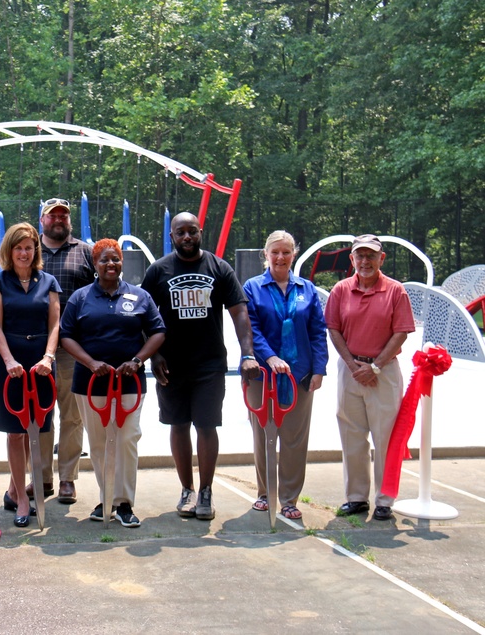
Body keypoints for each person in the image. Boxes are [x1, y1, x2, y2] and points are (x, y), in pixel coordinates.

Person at [141, 212, 260, 520]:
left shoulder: (219, 268)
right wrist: (153, 355)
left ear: (200, 232)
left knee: (206, 426)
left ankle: (205, 492)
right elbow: (143, 316)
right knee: (178, 425)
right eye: (180, 233)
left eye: (191, 231)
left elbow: (239, 314)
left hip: (209, 364)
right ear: (171, 237)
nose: (186, 237)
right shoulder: (158, 271)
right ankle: (187, 489)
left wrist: (247, 354)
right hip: (171, 365)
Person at [60, 239, 165, 527]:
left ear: (122, 262)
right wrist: (91, 363)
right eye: (104, 260)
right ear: (95, 265)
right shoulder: (80, 298)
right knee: (99, 443)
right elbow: (66, 336)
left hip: (129, 382)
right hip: (91, 383)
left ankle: (124, 503)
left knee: (127, 439)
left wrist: (138, 360)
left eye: (115, 259)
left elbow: (157, 332)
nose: (111, 264)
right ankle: (107, 498)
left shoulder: (139, 296)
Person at [325, 234, 415, 521]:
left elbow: (401, 331)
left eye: (371, 256)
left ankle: (385, 499)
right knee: (352, 435)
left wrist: (375, 366)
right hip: (350, 370)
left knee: (386, 437)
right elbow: (334, 329)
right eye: (359, 256)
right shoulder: (340, 289)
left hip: (383, 372)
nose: (365, 261)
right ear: (352, 260)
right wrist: (353, 366)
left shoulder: (395, 291)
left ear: (381, 259)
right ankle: (356, 498)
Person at [242, 231, 328, 520]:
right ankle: (266, 493)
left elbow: (317, 331)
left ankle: (289, 498)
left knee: (294, 438)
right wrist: (271, 357)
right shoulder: (253, 288)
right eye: (275, 252)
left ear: (294, 254)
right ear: (265, 254)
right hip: (263, 376)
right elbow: (251, 329)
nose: (280, 257)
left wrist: (319, 368)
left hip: (299, 376)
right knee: (264, 434)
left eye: (286, 252)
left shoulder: (307, 289)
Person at [0, 222, 61, 527]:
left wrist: (49, 357)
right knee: (15, 431)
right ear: (9, 251)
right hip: (10, 361)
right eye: (18, 247)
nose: (24, 253)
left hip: (41, 361)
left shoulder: (49, 282)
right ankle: (22, 499)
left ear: (35, 250)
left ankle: (16, 487)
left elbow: (55, 324)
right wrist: (8, 360)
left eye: (29, 247)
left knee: (36, 429)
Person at [38, 197, 94, 505]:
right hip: (37, 347)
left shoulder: (85, 252)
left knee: (73, 417)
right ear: (42, 220)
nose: (58, 219)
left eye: (63, 215)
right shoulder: (29, 250)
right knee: (42, 414)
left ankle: (68, 479)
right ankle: (43, 477)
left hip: (73, 348)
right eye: (52, 215)